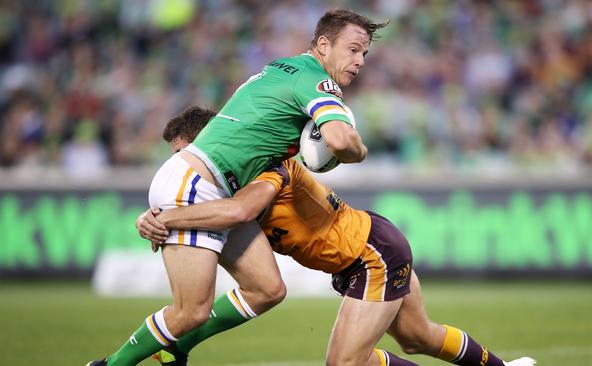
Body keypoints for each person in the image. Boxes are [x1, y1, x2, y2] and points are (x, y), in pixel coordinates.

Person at [87, 9, 386, 366]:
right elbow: (339, 141)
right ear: (324, 44)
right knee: (190, 312)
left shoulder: (283, 67)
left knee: (267, 290)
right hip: (198, 184)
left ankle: (175, 349)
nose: (359, 61)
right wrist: (359, 149)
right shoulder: (316, 81)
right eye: (353, 50)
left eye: (364, 54)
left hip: (211, 185)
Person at [138, 107, 537, 366]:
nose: (181, 167)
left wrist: (164, 217)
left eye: (184, 154)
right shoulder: (223, 186)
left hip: (370, 255)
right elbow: (210, 221)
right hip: (370, 244)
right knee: (418, 337)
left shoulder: (264, 169)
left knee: (346, 363)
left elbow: (237, 212)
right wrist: (159, 219)